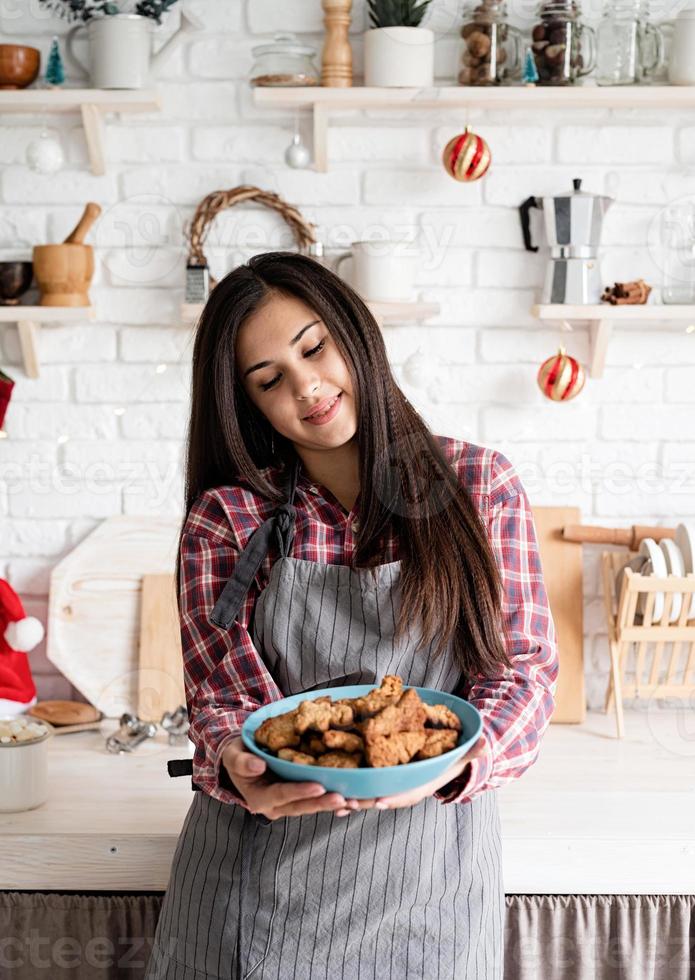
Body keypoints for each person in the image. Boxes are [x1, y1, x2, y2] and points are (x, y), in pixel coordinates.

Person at [145, 251, 558, 980]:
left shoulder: (476, 487)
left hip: (429, 887)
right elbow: (223, 697)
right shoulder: (228, 520)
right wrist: (239, 766)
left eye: (313, 348)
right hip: (253, 893)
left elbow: (521, 669)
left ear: (353, 331)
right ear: (247, 405)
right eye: (269, 379)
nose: (307, 387)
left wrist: (456, 759)